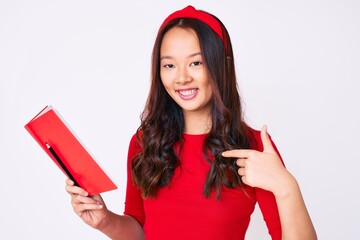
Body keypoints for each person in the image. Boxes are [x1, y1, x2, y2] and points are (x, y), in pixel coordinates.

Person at [66, 5, 317, 240]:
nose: (182, 77)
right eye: (169, 65)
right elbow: (141, 230)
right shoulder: (145, 142)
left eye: (196, 62)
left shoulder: (251, 147)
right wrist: (104, 221)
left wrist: (286, 187)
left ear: (220, 65)